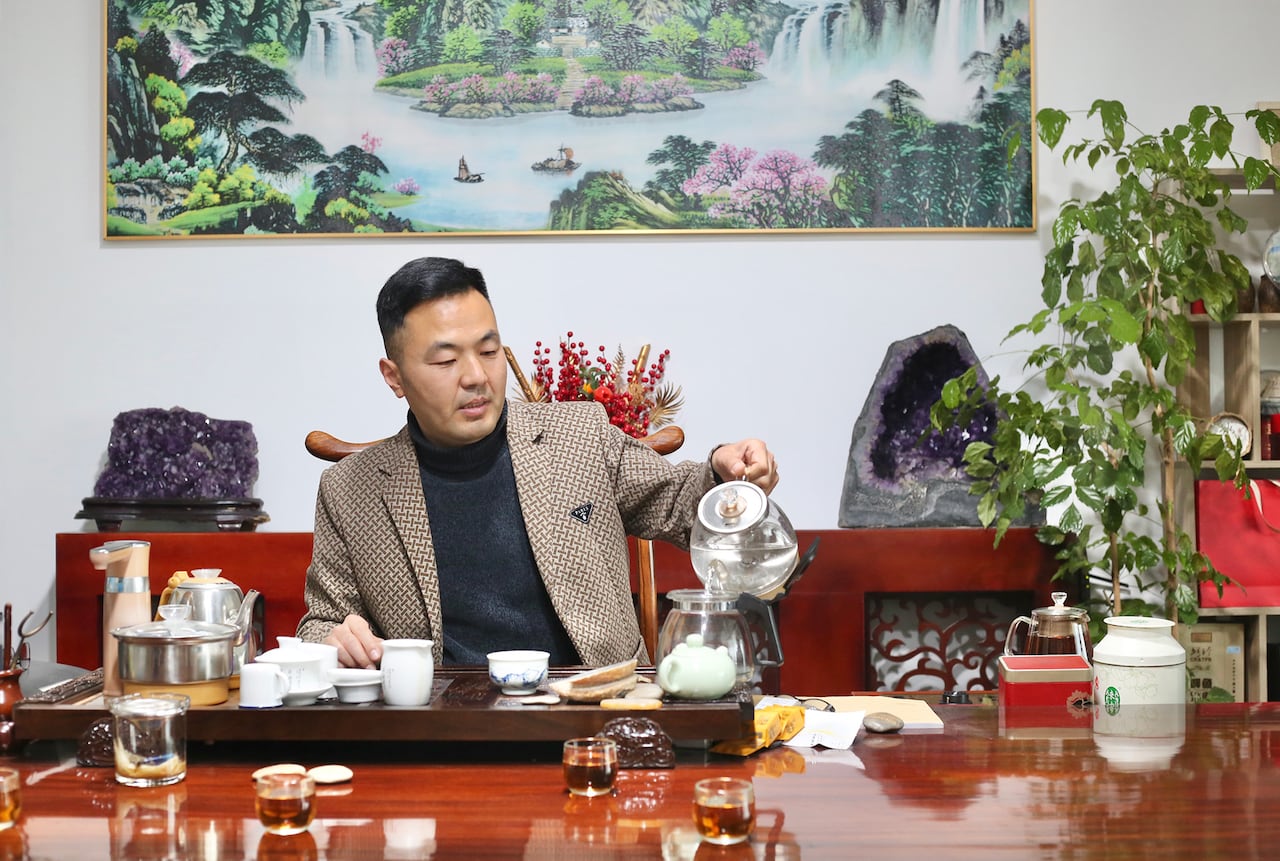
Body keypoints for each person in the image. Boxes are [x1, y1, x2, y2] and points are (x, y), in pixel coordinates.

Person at [297, 257, 779, 669]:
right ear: (394, 377)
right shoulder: (350, 490)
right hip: (442, 723)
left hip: (595, 711)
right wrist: (332, 641)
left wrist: (725, 472)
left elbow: (680, 504)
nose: (476, 377)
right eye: (445, 362)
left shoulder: (578, 436)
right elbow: (322, 622)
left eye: (489, 351)